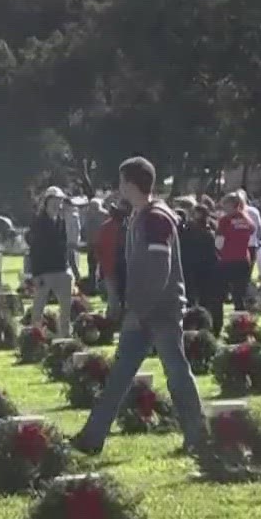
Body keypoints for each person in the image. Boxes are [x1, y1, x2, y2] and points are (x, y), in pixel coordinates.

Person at [70, 157, 209, 454]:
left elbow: (160, 267)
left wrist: (140, 310)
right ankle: (92, 438)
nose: (118, 188)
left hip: (160, 311)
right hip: (143, 310)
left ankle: (198, 437)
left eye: (121, 181)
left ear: (130, 183)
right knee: (120, 375)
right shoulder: (140, 216)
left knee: (177, 373)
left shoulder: (156, 218)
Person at [26, 188, 76, 337]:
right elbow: (34, 249)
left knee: (66, 308)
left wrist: (71, 268)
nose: (58, 204)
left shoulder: (61, 221)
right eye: (54, 200)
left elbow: (65, 245)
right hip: (44, 271)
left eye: (59, 200)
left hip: (61, 269)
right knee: (38, 308)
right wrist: (36, 274)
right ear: (47, 202)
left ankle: (65, 338)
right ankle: (35, 338)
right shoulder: (38, 222)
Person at [213, 192, 257, 327]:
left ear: (231, 204)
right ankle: (242, 325)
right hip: (244, 260)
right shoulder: (248, 220)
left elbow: (219, 243)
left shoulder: (225, 220)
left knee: (218, 294)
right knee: (239, 296)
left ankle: (217, 325)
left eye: (225, 204)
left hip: (227, 260)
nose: (223, 207)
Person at [179, 203, 219, 318]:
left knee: (201, 296)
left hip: (201, 266)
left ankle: (201, 317)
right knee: (192, 295)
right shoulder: (189, 229)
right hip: (193, 266)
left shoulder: (206, 230)